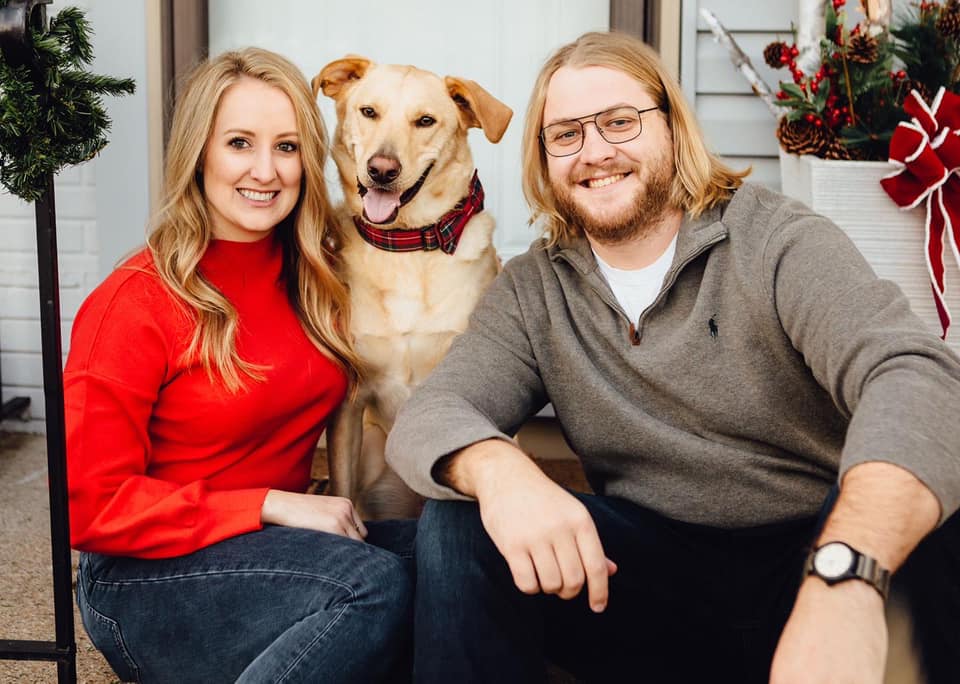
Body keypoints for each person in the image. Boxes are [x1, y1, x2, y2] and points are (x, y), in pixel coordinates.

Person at [385, 31, 960, 683]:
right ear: (543, 160)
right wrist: (502, 474)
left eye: (619, 122)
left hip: (812, 560)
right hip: (652, 586)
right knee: (460, 525)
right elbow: (431, 413)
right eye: (566, 134)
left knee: (918, 493)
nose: (595, 151)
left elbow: (916, 377)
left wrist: (844, 572)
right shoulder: (535, 289)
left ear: (672, 126)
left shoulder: (776, 241)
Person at [66, 48, 413, 684]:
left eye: (286, 147)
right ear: (199, 153)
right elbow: (90, 504)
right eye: (239, 143)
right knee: (374, 586)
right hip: (146, 576)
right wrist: (271, 505)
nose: (265, 170)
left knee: (453, 554)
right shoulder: (134, 302)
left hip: (272, 549)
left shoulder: (315, 278)